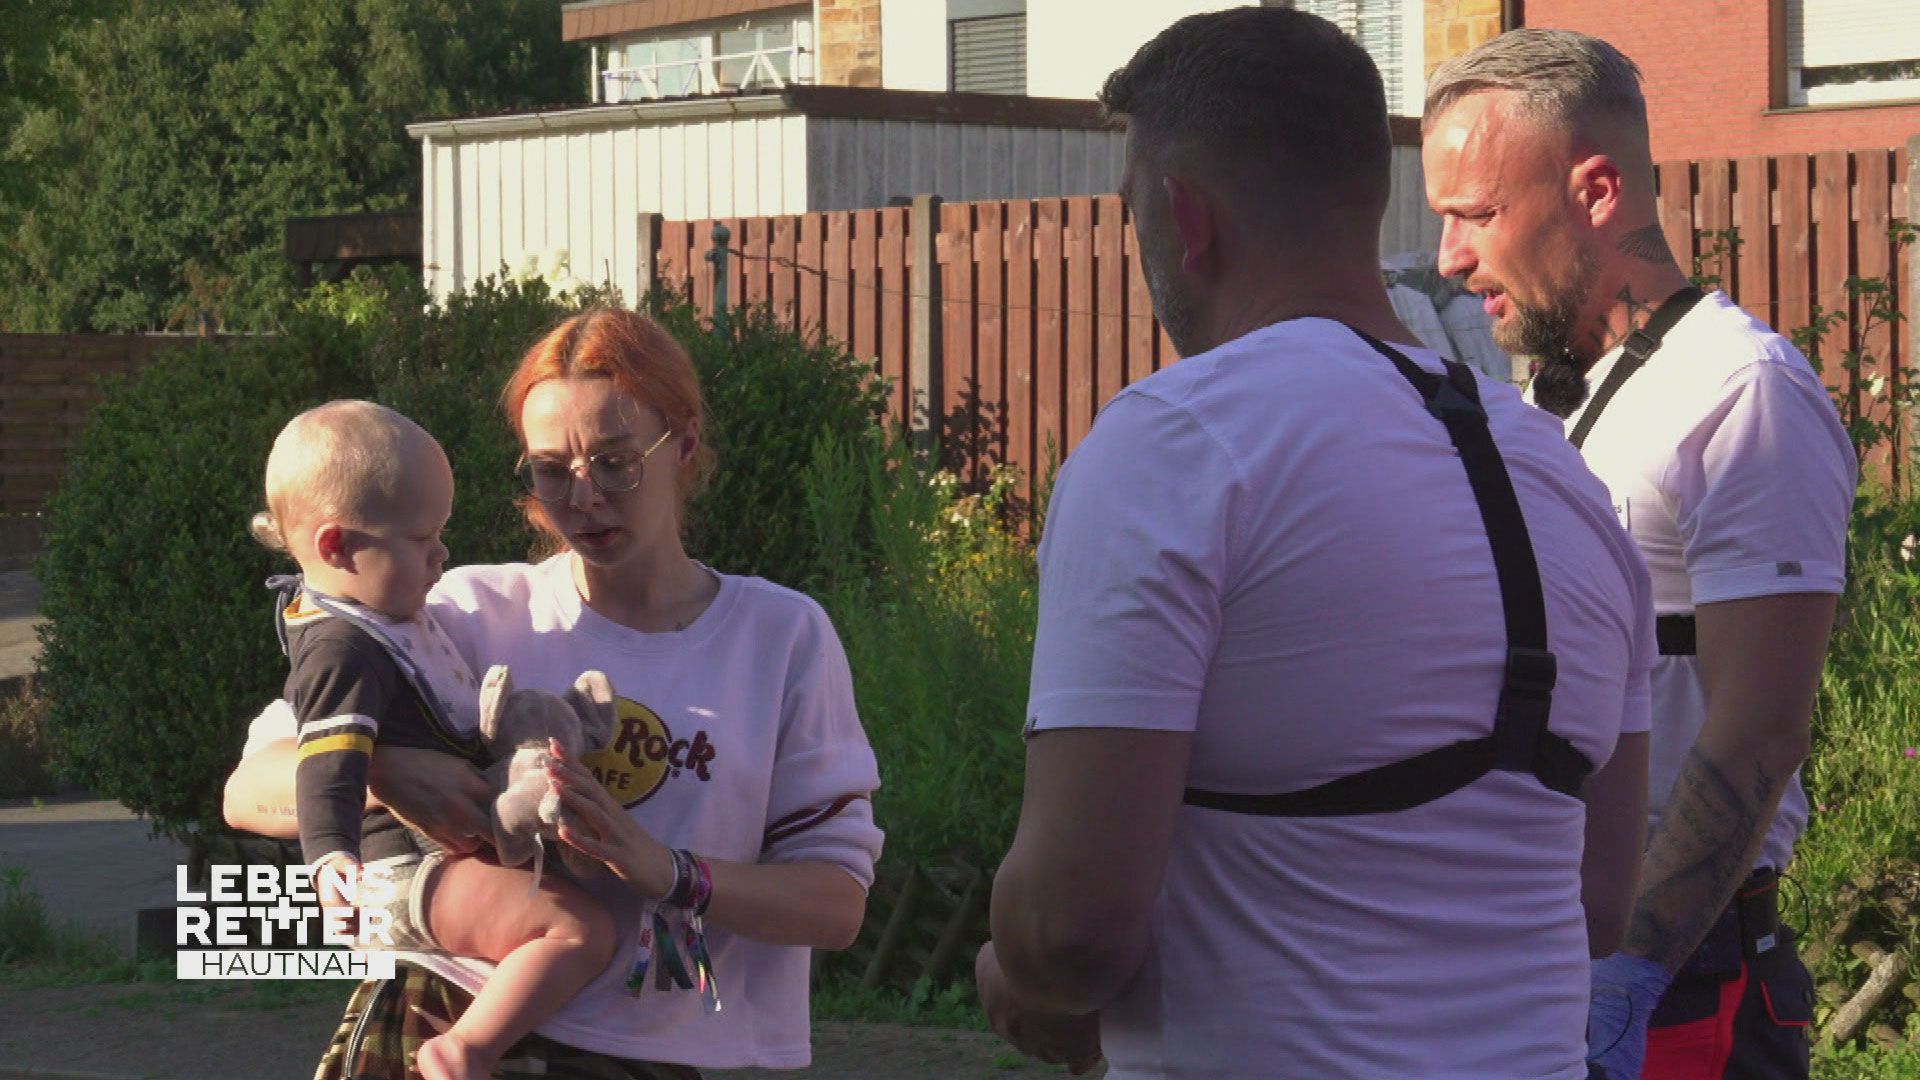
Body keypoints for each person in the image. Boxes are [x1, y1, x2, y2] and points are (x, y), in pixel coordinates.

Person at [972, 8, 1654, 1079]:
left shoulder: (1177, 443)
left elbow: (1071, 934)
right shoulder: (1566, 482)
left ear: (1184, 217)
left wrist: (1009, 974)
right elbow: (1602, 901)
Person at [224, 307, 883, 1079]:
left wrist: (668, 870)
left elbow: (836, 905)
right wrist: (390, 775)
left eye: (616, 461)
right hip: (441, 1028)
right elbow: (250, 785)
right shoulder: (461, 611)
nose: (584, 497)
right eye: (550, 468)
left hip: (670, 1057)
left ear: (687, 447)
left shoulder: (779, 637)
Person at [1422, 29, 1855, 1080]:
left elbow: (1758, 731)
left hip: (1679, 971)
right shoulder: (1551, 398)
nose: (1449, 258)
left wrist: (1632, 978)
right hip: (1534, 954)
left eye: (1476, 215)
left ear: (1599, 190)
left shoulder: (1741, 394)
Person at [251, 400, 616, 1080]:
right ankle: (463, 1051)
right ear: (336, 547)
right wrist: (327, 859)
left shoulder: (386, 618)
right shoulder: (342, 647)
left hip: (428, 866)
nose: (442, 557)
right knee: (580, 931)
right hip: (403, 872)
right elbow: (325, 764)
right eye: (424, 541)